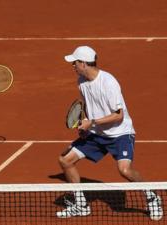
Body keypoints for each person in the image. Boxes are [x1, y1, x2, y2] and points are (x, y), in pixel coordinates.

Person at [56, 46, 163, 220]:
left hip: (120, 133)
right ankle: (81, 204)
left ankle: (152, 197)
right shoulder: (81, 81)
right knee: (65, 160)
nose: (72, 66)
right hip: (97, 133)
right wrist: (86, 129)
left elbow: (118, 116)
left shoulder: (108, 82)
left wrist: (92, 122)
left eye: (75, 62)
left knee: (125, 170)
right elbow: (89, 107)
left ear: (83, 63)